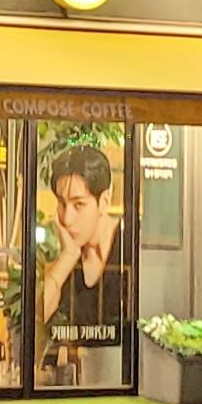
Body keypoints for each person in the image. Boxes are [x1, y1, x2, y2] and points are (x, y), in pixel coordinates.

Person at [37, 141, 132, 379]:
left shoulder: (131, 246)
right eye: (62, 204)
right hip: (84, 379)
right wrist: (67, 258)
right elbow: (34, 323)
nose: (67, 218)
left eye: (79, 204)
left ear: (104, 202)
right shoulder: (67, 257)